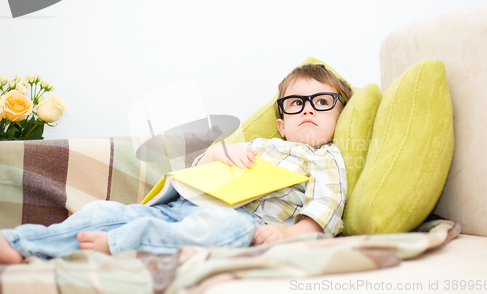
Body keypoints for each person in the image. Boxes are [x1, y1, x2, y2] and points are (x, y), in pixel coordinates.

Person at [0, 64, 353, 265]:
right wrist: (217, 155)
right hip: (185, 203)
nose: (307, 109)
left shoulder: (326, 158)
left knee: (219, 230)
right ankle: (18, 242)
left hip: (243, 219)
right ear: (281, 123)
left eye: (322, 102)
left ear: (341, 114)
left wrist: (287, 234)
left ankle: (126, 243)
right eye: (295, 103)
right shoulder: (261, 144)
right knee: (101, 213)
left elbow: (326, 206)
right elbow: (203, 166)